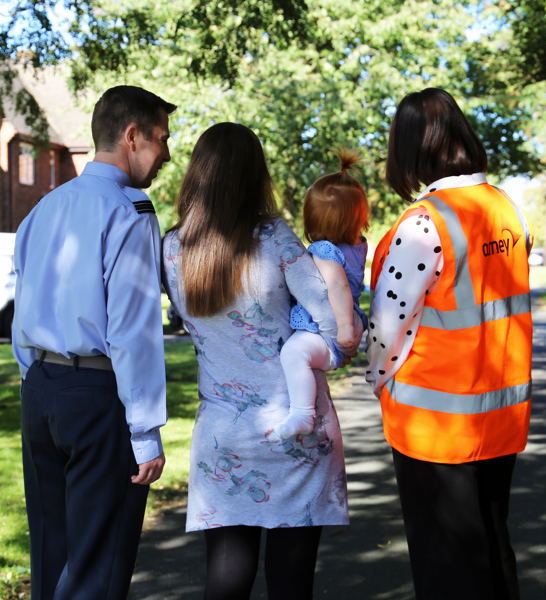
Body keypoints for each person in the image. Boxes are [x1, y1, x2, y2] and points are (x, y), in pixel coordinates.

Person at [161, 123, 351, 600]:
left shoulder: (171, 247)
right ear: (255, 176)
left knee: (225, 580)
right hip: (295, 430)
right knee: (291, 585)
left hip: (224, 435)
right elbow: (331, 326)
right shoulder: (275, 238)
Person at [365, 88, 533, 600]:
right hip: (500, 415)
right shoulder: (508, 208)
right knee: (492, 543)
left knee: (447, 569)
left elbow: (387, 329)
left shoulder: (425, 223)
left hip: (434, 426)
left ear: (410, 148)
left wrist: (374, 381)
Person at [12, 85, 175, 600]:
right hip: (98, 399)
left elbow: (23, 300)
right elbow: (133, 328)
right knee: (96, 572)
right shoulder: (130, 211)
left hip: (40, 389)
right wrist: (145, 432)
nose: (167, 153)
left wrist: (32, 376)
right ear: (132, 136)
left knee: (51, 556)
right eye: (161, 139)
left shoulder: (44, 208)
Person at [274, 149, 369, 439]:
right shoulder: (359, 246)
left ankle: (303, 414)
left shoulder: (323, 251)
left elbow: (338, 286)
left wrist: (343, 330)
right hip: (351, 321)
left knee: (293, 353)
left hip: (328, 331)